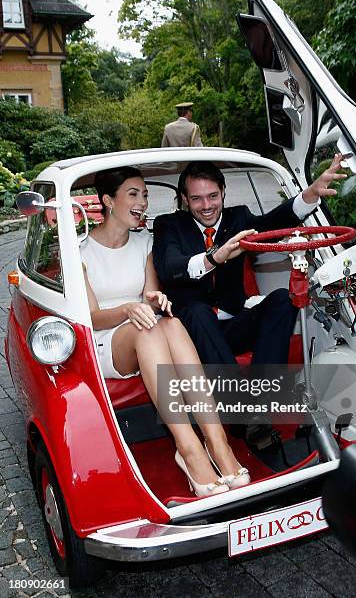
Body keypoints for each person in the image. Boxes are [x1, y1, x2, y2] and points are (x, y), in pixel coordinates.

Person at [80, 166, 250, 496]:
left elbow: (150, 296)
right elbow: (92, 317)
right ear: (107, 201)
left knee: (171, 322)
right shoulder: (81, 251)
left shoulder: (145, 242)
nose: (143, 202)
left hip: (148, 325)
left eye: (145, 194)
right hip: (107, 339)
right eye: (133, 194)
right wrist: (130, 309)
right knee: (147, 330)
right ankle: (187, 446)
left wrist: (155, 300)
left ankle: (217, 441)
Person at [152, 156, 346, 367]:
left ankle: (266, 391)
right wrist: (215, 258)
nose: (206, 205)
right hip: (190, 336)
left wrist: (310, 194)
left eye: (213, 196)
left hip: (233, 325)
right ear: (185, 199)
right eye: (197, 198)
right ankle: (236, 396)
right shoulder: (169, 224)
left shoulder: (238, 218)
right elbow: (169, 268)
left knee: (283, 298)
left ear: (224, 192)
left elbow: (273, 225)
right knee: (198, 312)